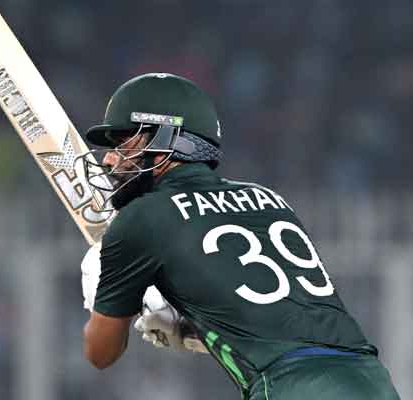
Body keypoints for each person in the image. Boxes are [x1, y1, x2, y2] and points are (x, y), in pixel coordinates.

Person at [79, 73, 400, 399]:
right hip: (371, 379)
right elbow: (277, 316)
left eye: (123, 143)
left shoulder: (142, 216)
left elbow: (101, 352)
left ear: (164, 144)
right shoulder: (270, 199)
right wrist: (188, 326)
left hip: (290, 387)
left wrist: (101, 293)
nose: (108, 158)